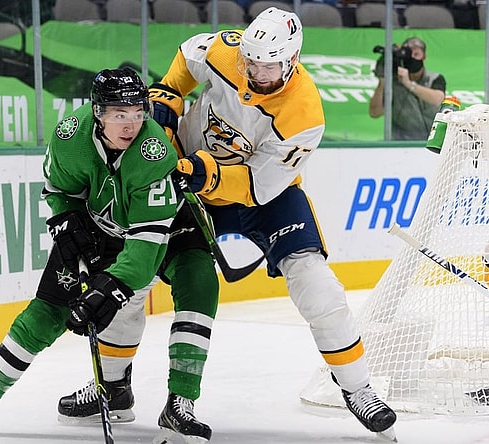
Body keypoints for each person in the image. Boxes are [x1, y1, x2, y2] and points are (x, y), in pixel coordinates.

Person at [147, 6, 397, 438]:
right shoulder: (227, 49)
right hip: (187, 177)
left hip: (260, 192)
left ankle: (358, 389)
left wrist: (202, 170)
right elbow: (187, 58)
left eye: (268, 66)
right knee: (137, 274)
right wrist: (169, 92)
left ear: (292, 61)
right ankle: (112, 387)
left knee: (317, 285)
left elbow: (258, 187)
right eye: (252, 62)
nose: (256, 73)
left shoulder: (304, 114)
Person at [0, 67, 219, 442]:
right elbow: (58, 189)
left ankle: (180, 403)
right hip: (99, 226)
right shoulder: (70, 136)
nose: (130, 124)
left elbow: (144, 248)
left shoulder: (154, 154)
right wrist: (65, 220)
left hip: (168, 229)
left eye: (138, 113)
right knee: (44, 314)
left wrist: (111, 287)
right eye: (119, 114)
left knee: (199, 282)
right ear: (98, 112)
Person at [368, 37, 446, 140]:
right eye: (409, 55)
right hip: (402, 145)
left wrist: (409, 84)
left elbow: (438, 99)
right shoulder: (392, 83)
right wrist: (383, 82)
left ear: (424, 56)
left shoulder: (435, 78)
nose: (412, 58)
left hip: (432, 143)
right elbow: (374, 113)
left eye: (416, 54)